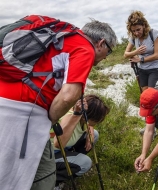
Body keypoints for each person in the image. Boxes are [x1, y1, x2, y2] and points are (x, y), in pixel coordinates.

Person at [0, 18, 117, 190]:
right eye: (109, 51)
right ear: (101, 43)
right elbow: (68, 96)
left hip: (8, 101)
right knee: (31, 177)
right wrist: (51, 118)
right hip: (25, 113)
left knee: (15, 169)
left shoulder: (62, 38)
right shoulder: (85, 48)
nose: (106, 57)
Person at [53, 94, 109, 189]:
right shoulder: (70, 118)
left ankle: (71, 161)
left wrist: (90, 129)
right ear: (85, 117)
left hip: (64, 148)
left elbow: (89, 122)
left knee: (94, 134)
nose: (99, 122)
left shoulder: (80, 116)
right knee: (85, 163)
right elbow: (58, 144)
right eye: (97, 120)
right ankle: (53, 181)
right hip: (49, 156)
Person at [124, 10, 158, 137]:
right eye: (134, 30)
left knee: (152, 98)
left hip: (155, 69)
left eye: (138, 29)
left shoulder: (154, 34)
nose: (136, 33)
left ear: (144, 26)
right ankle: (150, 127)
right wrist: (136, 52)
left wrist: (140, 58)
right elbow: (126, 54)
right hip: (142, 70)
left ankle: (156, 127)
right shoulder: (133, 38)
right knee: (145, 99)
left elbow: (157, 55)